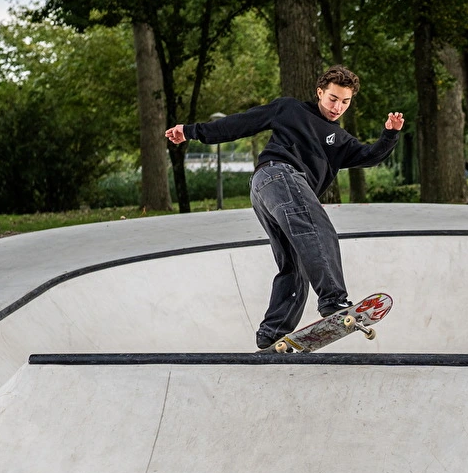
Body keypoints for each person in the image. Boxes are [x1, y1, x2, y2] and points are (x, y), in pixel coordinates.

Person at [165, 65, 404, 350]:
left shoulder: (340, 141)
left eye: (345, 101)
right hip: (278, 175)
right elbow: (241, 122)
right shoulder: (289, 109)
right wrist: (191, 131)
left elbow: (370, 155)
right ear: (319, 92)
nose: (337, 107)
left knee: (296, 262)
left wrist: (389, 134)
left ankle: (272, 332)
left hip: (269, 191)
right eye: (332, 98)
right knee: (317, 228)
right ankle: (333, 299)